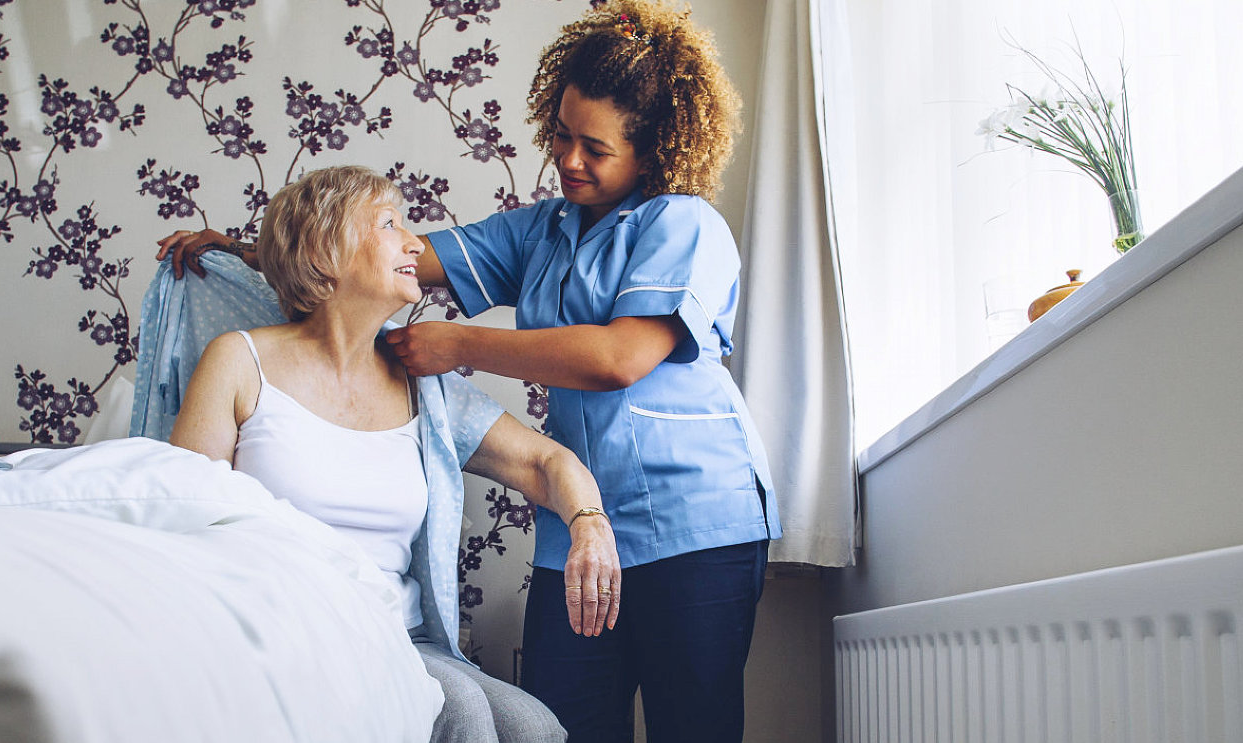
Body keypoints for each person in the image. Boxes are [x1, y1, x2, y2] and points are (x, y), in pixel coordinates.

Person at [157, 3, 779, 740]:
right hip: (574, 522)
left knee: (692, 727)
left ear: (651, 150)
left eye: (595, 148)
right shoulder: (540, 231)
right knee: (562, 722)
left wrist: (460, 346)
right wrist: (252, 248)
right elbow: (381, 255)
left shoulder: (685, 224)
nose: (569, 160)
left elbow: (620, 358)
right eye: (562, 135)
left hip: (694, 519)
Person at [168, 165, 619, 743]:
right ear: (323, 249)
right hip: (285, 629)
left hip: (400, 636)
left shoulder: (421, 386)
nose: (413, 243)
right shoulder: (237, 360)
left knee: (536, 729)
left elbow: (545, 462)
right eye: (389, 224)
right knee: (459, 710)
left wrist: (589, 524)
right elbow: (181, 514)